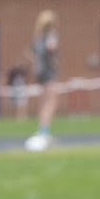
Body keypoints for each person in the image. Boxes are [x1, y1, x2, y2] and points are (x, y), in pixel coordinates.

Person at [30, 10, 62, 140]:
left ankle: (41, 128)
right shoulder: (50, 35)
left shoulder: (37, 38)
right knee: (51, 101)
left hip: (39, 72)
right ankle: (44, 130)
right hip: (48, 72)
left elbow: (34, 55)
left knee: (43, 101)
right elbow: (51, 48)